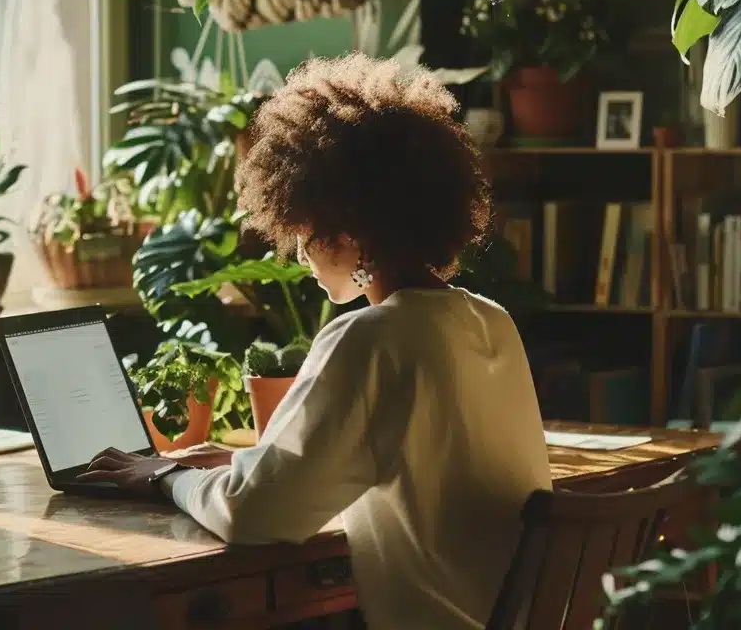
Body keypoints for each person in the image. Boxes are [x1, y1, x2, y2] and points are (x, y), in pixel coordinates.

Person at [78, 53, 551, 629]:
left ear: (345, 230)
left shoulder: (369, 338)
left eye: (303, 232)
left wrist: (165, 475)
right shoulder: (489, 320)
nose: (300, 254)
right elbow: (409, 459)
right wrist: (242, 461)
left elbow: (255, 515)